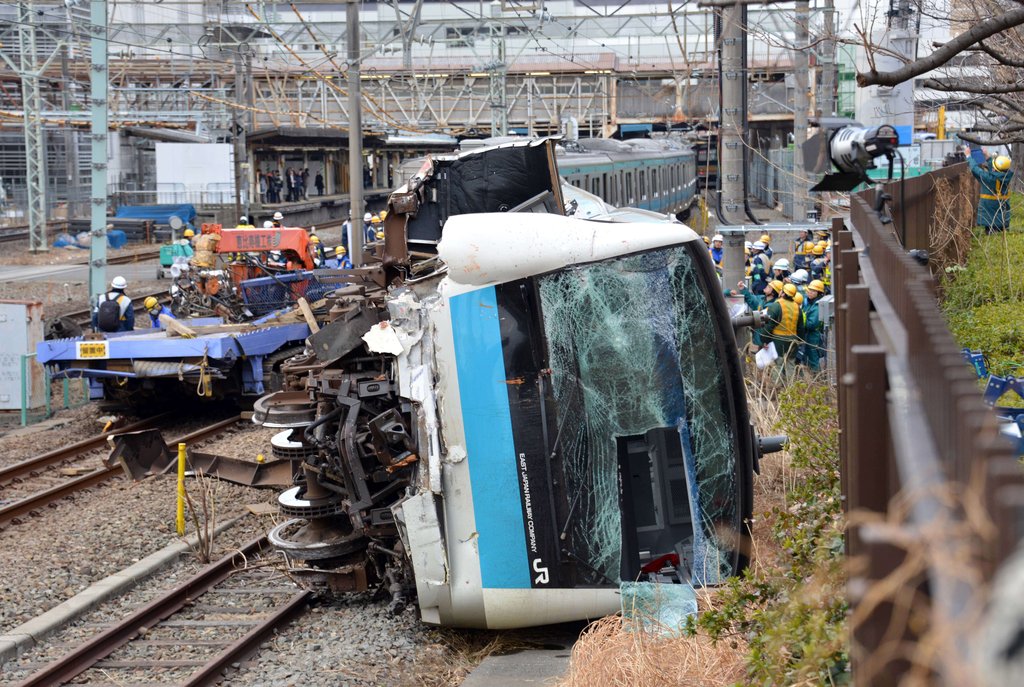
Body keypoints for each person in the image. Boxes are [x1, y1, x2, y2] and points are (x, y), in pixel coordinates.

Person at [758, 282, 804, 376]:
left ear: (782, 293)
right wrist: (799, 341)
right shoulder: (797, 307)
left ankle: (777, 387)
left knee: (778, 364)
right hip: (793, 340)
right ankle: (791, 388)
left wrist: (764, 340)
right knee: (790, 363)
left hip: (778, 340)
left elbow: (769, 326)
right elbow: (800, 327)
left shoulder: (776, 306)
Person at [964, 147, 1014, 233]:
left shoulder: (990, 180)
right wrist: (987, 156)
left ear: (995, 170)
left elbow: (976, 170)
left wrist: (968, 156)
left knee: (993, 239)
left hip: (991, 220)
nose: (992, 168)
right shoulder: (1006, 176)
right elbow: (996, 171)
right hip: (1003, 218)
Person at [801, 279, 826, 373]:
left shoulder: (817, 306)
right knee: (807, 358)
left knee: (813, 359)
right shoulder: (809, 303)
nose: (809, 292)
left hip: (813, 336)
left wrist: (801, 320)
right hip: (808, 335)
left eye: (813, 291)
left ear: (819, 293)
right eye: (809, 290)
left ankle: (817, 380)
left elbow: (811, 324)